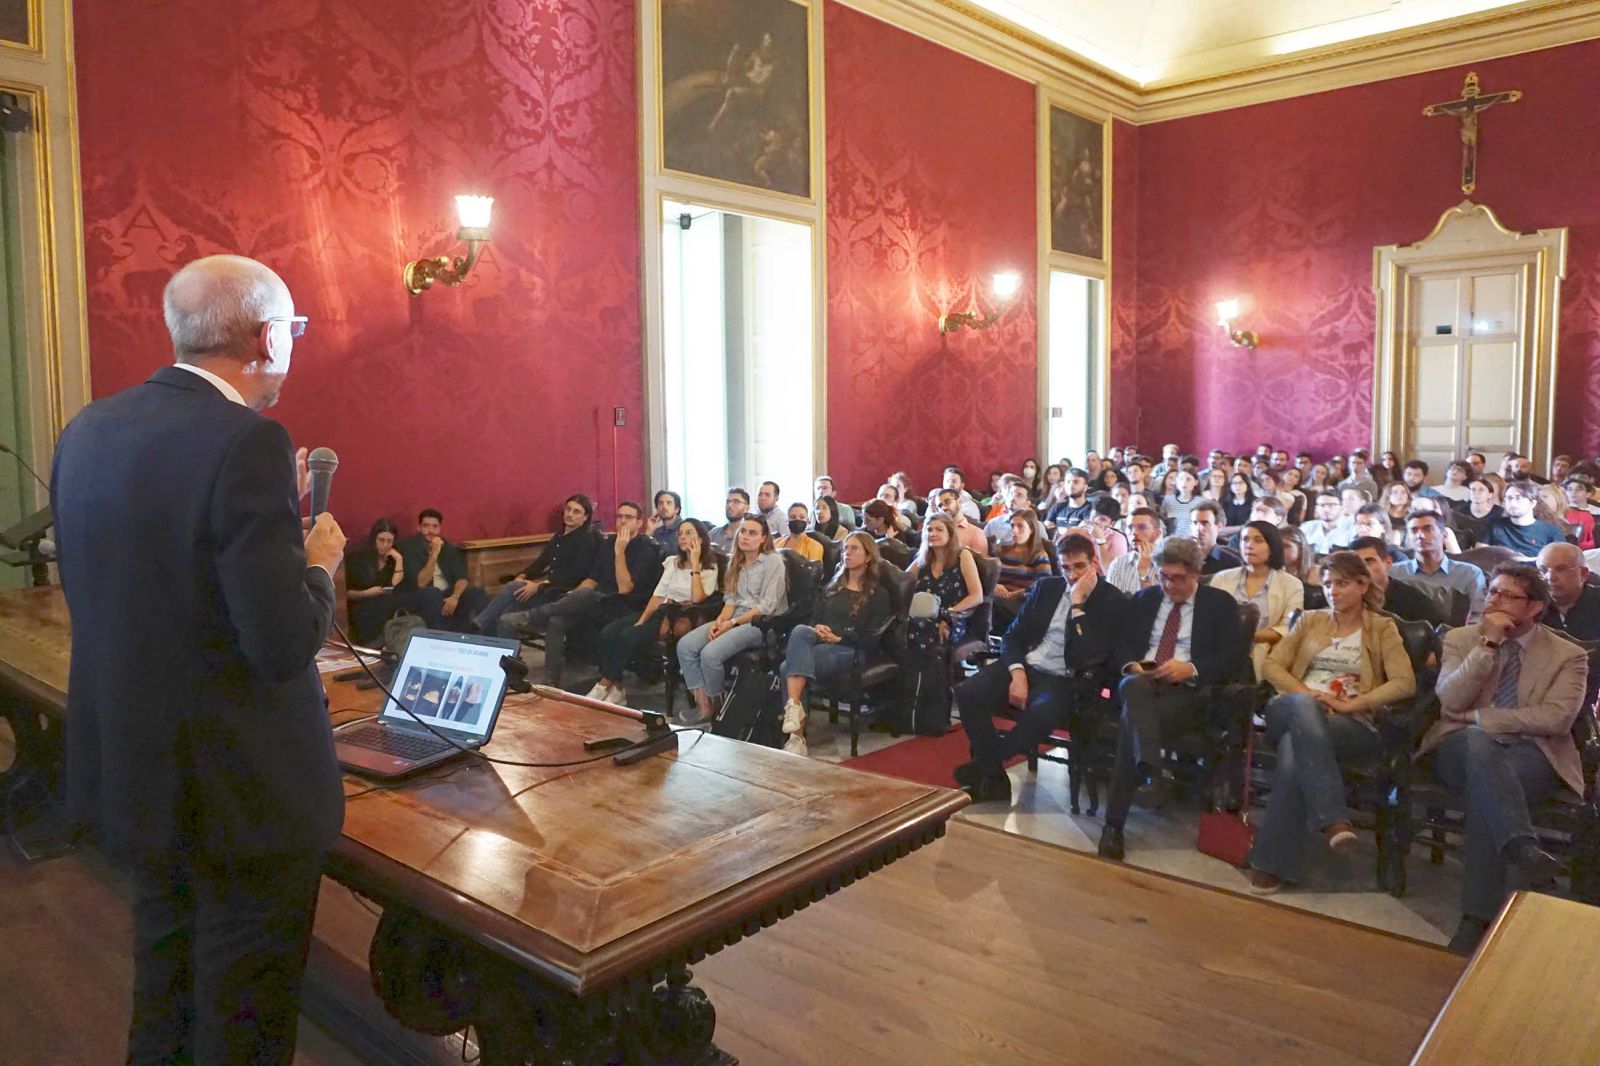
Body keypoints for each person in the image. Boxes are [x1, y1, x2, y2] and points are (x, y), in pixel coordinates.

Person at [51, 254, 347, 1062]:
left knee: (166, 986)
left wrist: (267, 516)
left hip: (140, 772)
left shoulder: (90, 428)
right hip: (241, 792)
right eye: (294, 328)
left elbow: (152, 579)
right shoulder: (249, 441)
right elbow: (281, 644)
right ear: (268, 338)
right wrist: (317, 562)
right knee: (243, 1015)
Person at [1418, 564, 1589, 955]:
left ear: (1534, 607)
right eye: (1491, 591)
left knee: (1489, 792)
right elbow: (1450, 701)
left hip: (1533, 751)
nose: (1493, 601)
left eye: (1506, 595)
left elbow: (1556, 718)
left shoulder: (1568, 655)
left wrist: (1482, 717)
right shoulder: (1461, 638)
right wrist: (1488, 646)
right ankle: (1521, 850)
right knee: (1481, 749)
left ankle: (1477, 917)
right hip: (1459, 746)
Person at [1244, 551, 1417, 895]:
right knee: (1302, 711)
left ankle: (1272, 863)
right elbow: (1273, 666)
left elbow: (1405, 682)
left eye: (1341, 583)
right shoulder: (1310, 620)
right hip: (1291, 707)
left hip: (1348, 720)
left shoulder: (1381, 628)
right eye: (1326, 584)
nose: (1332, 591)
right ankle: (1331, 816)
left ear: (1363, 585)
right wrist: (1307, 694)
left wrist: (1353, 704)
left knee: (1295, 749)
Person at [1098, 537, 1246, 861]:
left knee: (1132, 719)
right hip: (1144, 684)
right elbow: (1121, 648)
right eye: (1163, 576)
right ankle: (1151, 773)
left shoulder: (1219, 604)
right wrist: (1133, 665)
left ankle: (1114, 825)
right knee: (1133, 687)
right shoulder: (1145, 599)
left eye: (1178, 578)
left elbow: (1232, 659)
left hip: (1190, 694)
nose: (1169, 585)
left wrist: (1191, 668)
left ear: (1196, 573)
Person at [953, 533, 1127, 802]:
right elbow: (1013, 636)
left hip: (1067, 678)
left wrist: (1077, 605)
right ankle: (994, 777)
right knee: (968, 693)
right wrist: (1018, 673)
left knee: (1042, 713)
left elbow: (1090, 654)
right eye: (1066, 567)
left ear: (1094, 563)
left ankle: (987, 766)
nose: (1072, 575)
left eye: (1079, 567)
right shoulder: (1047, 588)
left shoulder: (1112, 600)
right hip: (1027, 665)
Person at [519, 501, 663, 686]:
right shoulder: (608, 542)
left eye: (628, 517)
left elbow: (624, 589)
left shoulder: (646, 548)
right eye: (619, 516)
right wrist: (573, 597)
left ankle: (532, 616)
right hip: (597, 601)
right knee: (558, 619)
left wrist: (620, 553)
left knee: (587, 596)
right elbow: (592, 579)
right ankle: (550, 681)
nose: (622, 521)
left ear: (639, 522)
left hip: (624, 604)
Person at [778, 532, 894, 756]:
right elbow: (814, 618)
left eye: (854, 549)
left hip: (851, 649)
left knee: (786, 668)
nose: (847, 553)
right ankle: (794, 712)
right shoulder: (832, 586)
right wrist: (818, 627)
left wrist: (840, 638)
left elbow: (872, 635)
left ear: (868, 556)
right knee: (801, 630)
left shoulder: (878, 594)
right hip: (821, 642)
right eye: (845, 548)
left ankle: (796, 735)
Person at [585, 518, 721, 707]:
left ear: (700, 539)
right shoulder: (673, 563)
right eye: (680, 533)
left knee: (627, 637)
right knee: (609, 631)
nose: (682, 537)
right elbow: (658, 595)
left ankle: (604, 684)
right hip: (661, 610)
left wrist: (695, 564)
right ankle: (617, 688)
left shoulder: (710, 567)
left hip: (681, 617)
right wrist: (641, 620)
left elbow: (698, 598)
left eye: (689, 533)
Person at [678, 516, 789, 724]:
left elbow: (767, 606)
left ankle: (719, 708)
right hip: (735, 618)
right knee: (686, 645)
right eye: (743, 532)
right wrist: (720, 622)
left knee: (710, 654)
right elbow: (730, 602)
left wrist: (731, 624)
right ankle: (704, 706)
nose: (745, 537)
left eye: (752, 533)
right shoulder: (735, 561)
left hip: (762, 624)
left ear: (764, 538)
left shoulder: (773, 561)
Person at [474, 494, 602, 636]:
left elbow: (575, 575)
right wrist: (523, 576)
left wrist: (539, 585)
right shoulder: (560, 535)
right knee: (508, 610)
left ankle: (478, 624)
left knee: (512, 588)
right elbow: (541, 562)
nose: (570, 514)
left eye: (576, 512)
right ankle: (506, 648)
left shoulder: (586, 539)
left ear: (585, 517)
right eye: (568, 509)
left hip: (562, 594)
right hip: (548, 589)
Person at [1207, 521, 1305, 679]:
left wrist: (1247, 636)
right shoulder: (1222, 578)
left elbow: (1289, 628)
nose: (1249, 545)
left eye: (1258, 541)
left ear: (1272, 547)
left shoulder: (1291, 584)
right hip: (1218, 651)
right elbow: (1207, 619)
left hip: (1262, 655)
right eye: (1245, 539)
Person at [400, 508, 491, 632]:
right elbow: (421, 583)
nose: (430, 531)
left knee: (477, 592)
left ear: (439, 529)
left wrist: (455, 596)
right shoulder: (410, 548)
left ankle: (484, 637)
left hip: (448, 594)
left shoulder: (448, 547)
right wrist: (434, 553)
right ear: (418, 528)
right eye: (426, 526)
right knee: (432, 593)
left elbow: (462, 577)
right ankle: (439, 638)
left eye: (435, 526)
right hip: (422, 595)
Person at [906, 513, 985, 646]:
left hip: (953, 617)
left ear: (950, 534)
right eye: (929, 530)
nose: (933, 533)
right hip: (922, 614)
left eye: (939, 529)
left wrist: (948, 615)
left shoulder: (963, 555)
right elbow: (902, 582)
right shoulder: (923, 559)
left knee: (917, 629)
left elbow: (977, 596)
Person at [1393, 510, 1485, 621]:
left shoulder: (1469, 574)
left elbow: (1478, 614)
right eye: (1414, 531)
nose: (1420, 535)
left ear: (1444, 535)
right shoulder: (1393, 573)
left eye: (1428, 529)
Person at [1348, 536, 1452, 626]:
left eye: (1369, 561)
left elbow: (1439, 634)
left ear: (1388, 563)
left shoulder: (1413, 601)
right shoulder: (1344, 598)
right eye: (1356, 564)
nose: (1362, 569)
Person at [345, 518, 409, 646]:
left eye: (389, 541)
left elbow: (396, 585)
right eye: (381, 540)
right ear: (374, 539)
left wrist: (399, 560)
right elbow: (346, 594)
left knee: (393, 602)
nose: (385, 545)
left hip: (386, 602)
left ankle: (388, 644)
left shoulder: (393, 560)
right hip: (362, 602)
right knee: (377, 606)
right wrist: (366, 593)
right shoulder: (357, 559)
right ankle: (372, 645)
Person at [992, 510, 1055, 632]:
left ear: (1031, 529)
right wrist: (995, 585)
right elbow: (988, 576)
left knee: (988, 603)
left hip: (1023, 602)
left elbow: (1045, 585)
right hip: (998, 597)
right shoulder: (1001, 550)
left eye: (1020, 526)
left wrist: (1016, 594)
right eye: (1012, 526)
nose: (1014, 530)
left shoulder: (1039, 555)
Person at [1482, 480, 1566, 558]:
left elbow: (1560, 560)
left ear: (1532, 503)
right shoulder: (1493, 526)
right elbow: (1480, 556)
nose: (1513, 503)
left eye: (1518, 498)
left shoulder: (1551, 531)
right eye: (1509, 498)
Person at [1537, 542, 1600, 640]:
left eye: (1561, 569)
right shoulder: (1531, 606)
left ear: (1583, 573)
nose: (1550, 577)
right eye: (1543, 570)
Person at [1105, 508, 1163, 595]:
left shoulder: (1167, 564)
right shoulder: (1118, 563)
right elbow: (1112, 600)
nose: (1134, 532)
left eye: (1142, 527)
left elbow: (1154, 601)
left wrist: (1143, 573)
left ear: (1157, 534)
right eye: (1130, 527)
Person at [937, 487, 990, 556]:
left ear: (959, 502)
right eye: (940, 505)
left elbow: (980, 562)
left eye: (947, 502)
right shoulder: (934, 531)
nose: (943, 508)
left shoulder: (976, 533)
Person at [1190, 500, 1239, 575]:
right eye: (1195, 523)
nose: (1198, 528)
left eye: (1205, 523)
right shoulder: (1180, 558)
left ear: (1219, 527)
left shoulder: (1232, 564)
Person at [862, 498, 915, 568]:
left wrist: (889, 541)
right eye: (863, 518)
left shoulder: (897, 534)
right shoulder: (865, 531)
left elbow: (898, 563)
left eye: (868, 520)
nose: (864, 523)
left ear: (880, 520)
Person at [1299, 491, 1349, 557]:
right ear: (1316, 508)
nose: (1326, 510)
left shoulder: (1352, 527)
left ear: (1342, 507)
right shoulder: (1306, 527)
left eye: (1331, 505)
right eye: (1322, 505)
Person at [1161, 469, 1204, 535]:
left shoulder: (1201, 502)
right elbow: (1162, 520)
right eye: (1181, 479)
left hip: (1193, 538)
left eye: (1188, 479)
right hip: (1172, 539)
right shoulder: (1168, 500)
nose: (1184, 482)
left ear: (1196, 482)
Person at [710, 487, 752, 555]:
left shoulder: (749, 537)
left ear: (746, 508)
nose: (729, 505)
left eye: (736, 502)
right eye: (728, 502)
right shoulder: (714, 533)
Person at [1562, 476, 1598, 550]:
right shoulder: (1560, 512)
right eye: (1570, 489)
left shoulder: (1597, 513)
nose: (1573, 492)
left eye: (1578, 489)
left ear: (1588, 494)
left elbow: (1595, 541)